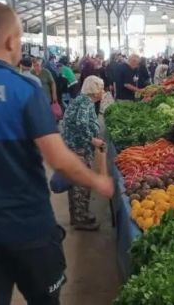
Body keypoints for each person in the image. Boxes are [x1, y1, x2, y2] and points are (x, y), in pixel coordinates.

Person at [0, 2, 113, 305]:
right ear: (11, 41)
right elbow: (58, 158)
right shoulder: (24, 90)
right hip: (29, 229)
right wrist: (96, 180)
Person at [61, 75, 105, 230]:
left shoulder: (81, 100)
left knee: (75, 184)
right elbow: (80, 124)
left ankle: (77, 216)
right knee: (81, 184)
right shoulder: (86, 102)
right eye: (101, 88)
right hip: (78, 148)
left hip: (72, 147)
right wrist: (93, 140)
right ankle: (81, 219)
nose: (103, 91)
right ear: (94, 90)